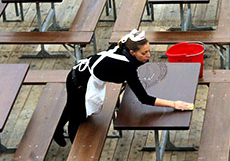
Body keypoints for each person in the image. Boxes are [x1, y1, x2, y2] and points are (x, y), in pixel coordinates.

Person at [53, 29, 193, 146]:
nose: (148, 55)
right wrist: (174, 104)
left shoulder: (124, 46)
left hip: (81, 73)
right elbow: (144, 98)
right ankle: (76, 152)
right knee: (78, 117)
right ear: (132, 53)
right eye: (144, 53)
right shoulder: (127, 67)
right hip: (78, 82)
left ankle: (57, 130)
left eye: (149, 51)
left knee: (72, 106)